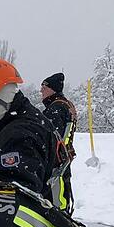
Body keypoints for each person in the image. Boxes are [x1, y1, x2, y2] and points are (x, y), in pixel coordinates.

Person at [0, 58, 58, 199]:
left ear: (3, 100)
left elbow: (12, 205)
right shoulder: (19, 124)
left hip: (38, 221)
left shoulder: (19, 137)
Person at [40, 72, 78, 214]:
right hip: (64, 157)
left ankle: (59, 217)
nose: (41, 91)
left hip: (56, 160)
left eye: (44, 88)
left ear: (52, 89)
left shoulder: (55, 108)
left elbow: (51, 137)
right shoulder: (67, 105)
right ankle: (63, 214)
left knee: (56, 197)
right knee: (63, 192)